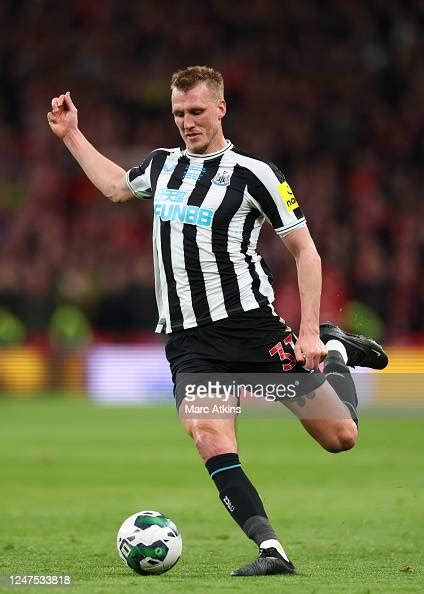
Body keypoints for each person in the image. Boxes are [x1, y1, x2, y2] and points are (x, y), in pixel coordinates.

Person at [47, 66, 388, 577]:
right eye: (179, 113)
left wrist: (313, 332)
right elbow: (118, 187)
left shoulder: (256, 175)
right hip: (190, 340)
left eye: (197, 111)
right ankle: (272, 550)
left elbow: (306, 251)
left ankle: (338, 353)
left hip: (253, 329)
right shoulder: (162, 167)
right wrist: (73, 134)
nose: (187, 122)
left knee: (341, 437)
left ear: (221, 109)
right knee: (208, 433)